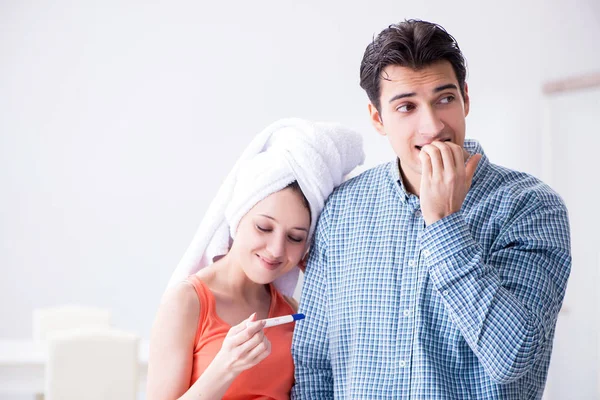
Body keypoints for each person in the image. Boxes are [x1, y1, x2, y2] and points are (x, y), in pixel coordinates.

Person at [292, 19, 571, 399]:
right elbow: (313, 362)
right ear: (378, 118)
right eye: (406, 107)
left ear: (465, 99)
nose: (433, 125)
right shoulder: (342, 209)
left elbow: (513, 356)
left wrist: (443, 221)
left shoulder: (530, 206)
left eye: (445, 99)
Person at [146, 118, 364, 400]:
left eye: (295, 237)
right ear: (238, 217)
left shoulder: (291, 312)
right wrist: (224, 368)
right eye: (264, 227)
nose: (275, 249)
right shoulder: (187, 302)